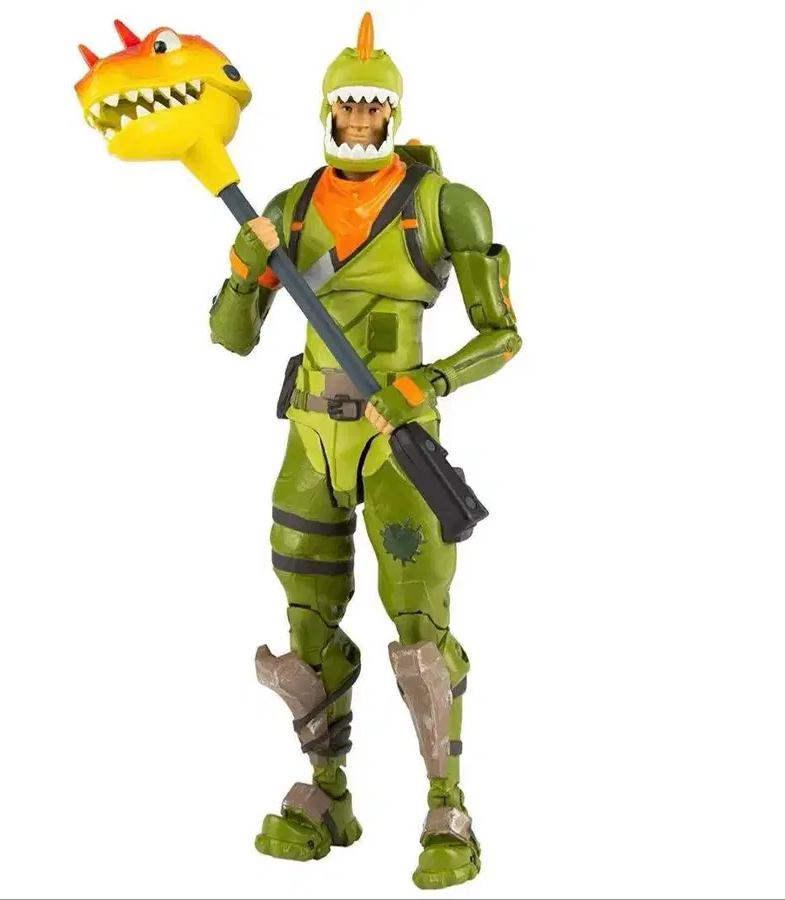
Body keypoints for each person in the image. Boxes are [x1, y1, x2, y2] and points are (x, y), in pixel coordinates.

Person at [209, 12, 521, 890]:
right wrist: (244, 270)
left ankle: (447, 810)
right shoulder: (287, 209)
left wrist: (428, 382)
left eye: (371, 107)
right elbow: (232, 336)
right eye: (346, 106)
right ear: (327, 111)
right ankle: (328, 793)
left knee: (420, 633)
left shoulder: (443, 204)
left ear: (391, 113)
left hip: (397, 445)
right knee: (307, 625)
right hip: (310, 439)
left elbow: (503, 335)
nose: (358, 119)